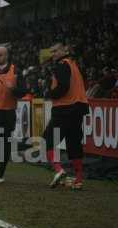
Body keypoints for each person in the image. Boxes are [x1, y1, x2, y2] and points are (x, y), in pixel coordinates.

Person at [43, 43, 89, 190]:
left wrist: (49, 94)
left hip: (64, 109)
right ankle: (78, 179)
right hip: (78, 108)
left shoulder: (62, 65)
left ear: (65, 50)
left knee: (47, 140)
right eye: (51, 51)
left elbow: (63, 87)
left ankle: (58, 170)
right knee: (74, 143)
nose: (53, 54)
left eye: (56, 51)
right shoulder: (74, 65)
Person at [0, 46, 27, 183]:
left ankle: (0, 173)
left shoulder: (15, 71)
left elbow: (23, 91)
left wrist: (13, 89)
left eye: (1, 55)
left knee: (5, 143)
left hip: (8, 111)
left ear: (7, 56)